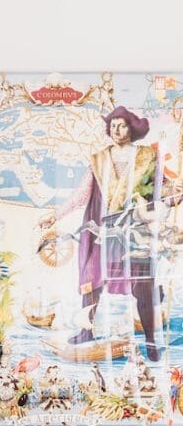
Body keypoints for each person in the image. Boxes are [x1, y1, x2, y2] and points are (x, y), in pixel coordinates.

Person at [39, 106, 164, 360]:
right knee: (91, 278)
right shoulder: (98, 159)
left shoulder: (146, 157)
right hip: (100, 228)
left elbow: (162, 191)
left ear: (132, 128)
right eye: (113, 125)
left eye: (122, 125)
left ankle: (150, 339)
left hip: (134, 231)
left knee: (142, 285)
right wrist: (55, 215)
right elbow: (81, 195)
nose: (116, 130)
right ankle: (87, 331)